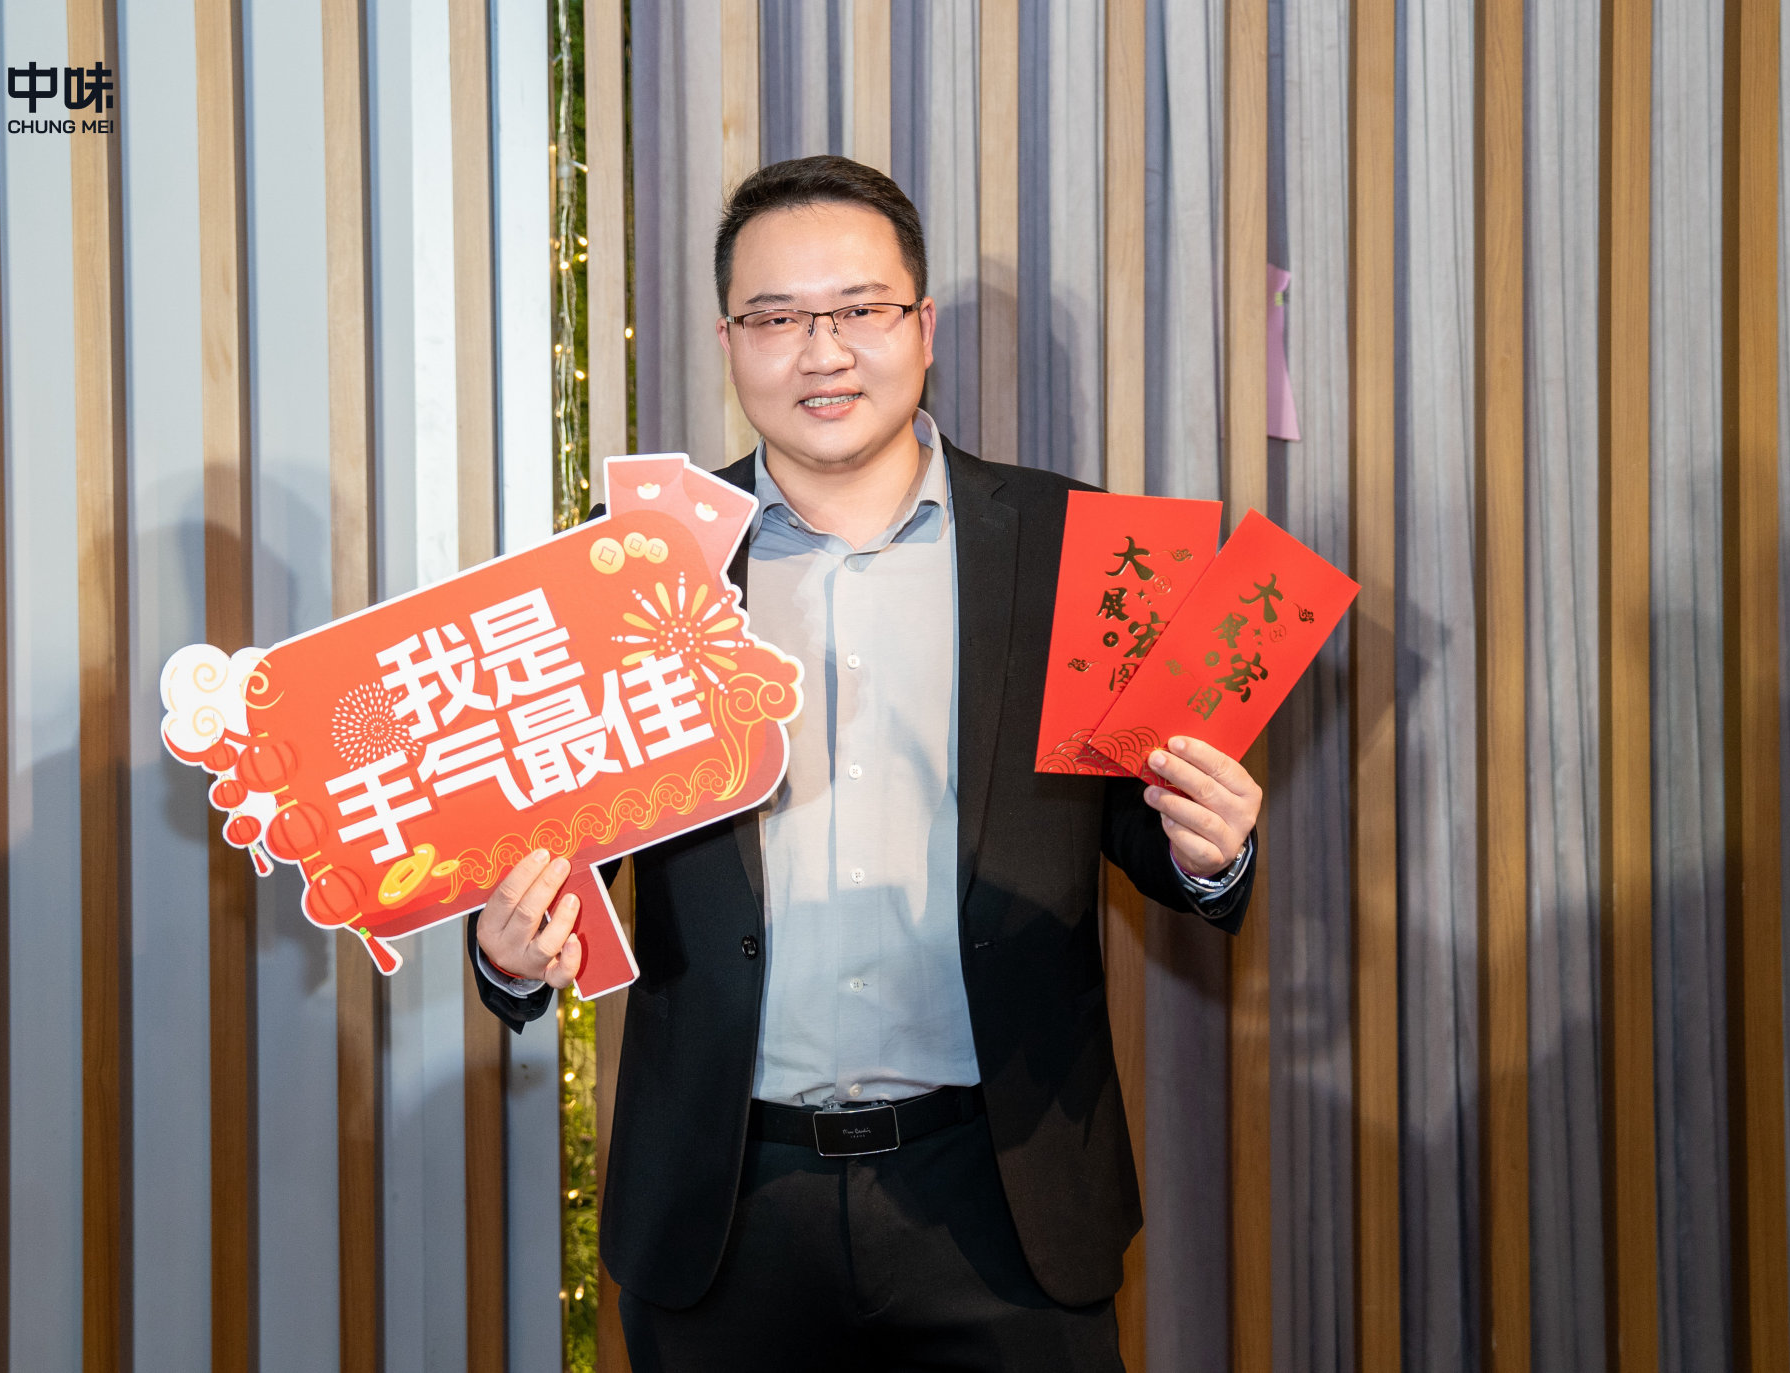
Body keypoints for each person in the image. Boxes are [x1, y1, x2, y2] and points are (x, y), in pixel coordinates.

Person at [467, 155, 1261, 1371]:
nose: (821, 351)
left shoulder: (1076, 548)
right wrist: (509, 949)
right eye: (776, 318)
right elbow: (559, 857)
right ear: (728, 343)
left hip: (1002, 1201)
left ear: (922, 325)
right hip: (724, 1209)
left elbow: (1146, 831)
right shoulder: (631, 572)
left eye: (858, 309)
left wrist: (1211, 849)